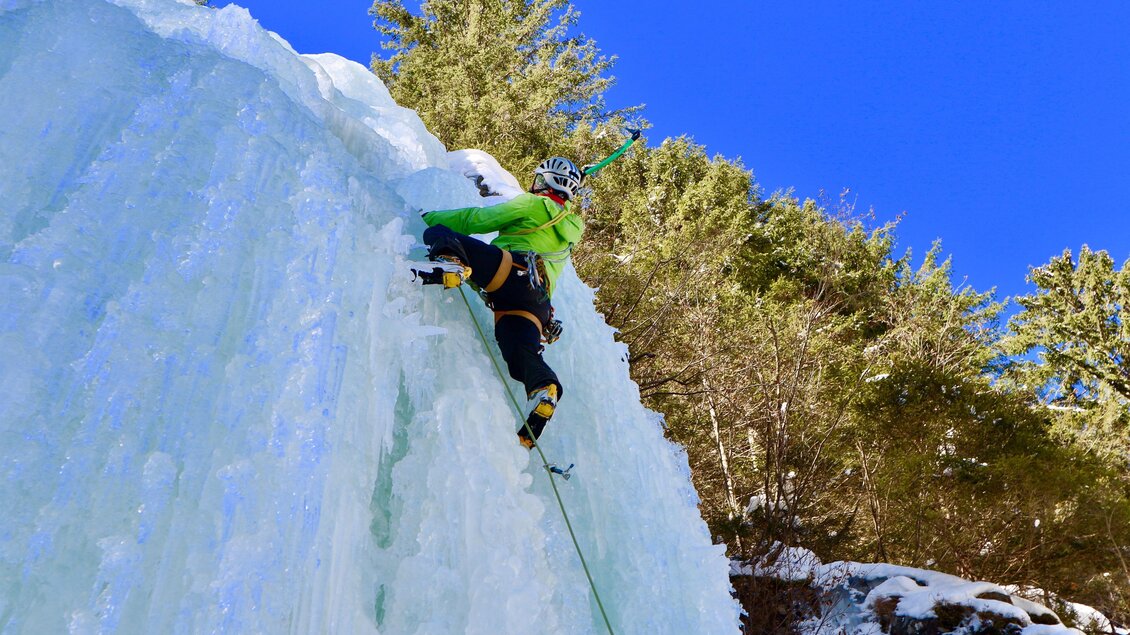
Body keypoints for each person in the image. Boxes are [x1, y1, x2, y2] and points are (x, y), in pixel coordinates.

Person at [414, 157, 584, 449]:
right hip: (537, 304)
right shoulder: (571, 231)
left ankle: (453, 264)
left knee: (441, 235)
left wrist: (424, 217)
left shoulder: (535, 205)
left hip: (511, 272)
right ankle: (545, 387)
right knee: (520, 352)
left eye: (539, 180)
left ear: (545, 182)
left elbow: (477, 220)